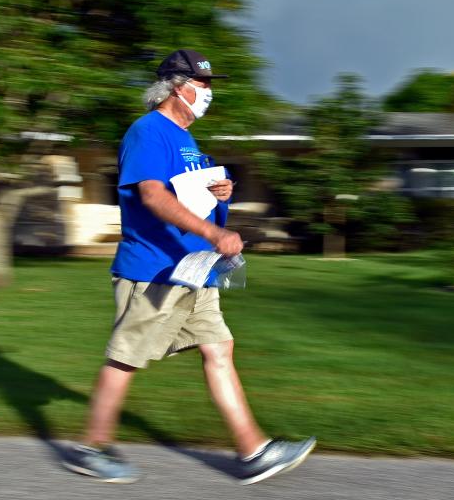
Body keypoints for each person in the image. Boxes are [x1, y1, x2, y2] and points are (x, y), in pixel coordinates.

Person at [62, 49, 315, 485]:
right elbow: (154, 197)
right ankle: (91, 448)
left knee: (219, 349)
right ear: (178, 88)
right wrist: (217, 234)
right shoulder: (148, 132)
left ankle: (253, 451)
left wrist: (221, 195)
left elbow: (186, 197)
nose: (209, 93)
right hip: (153, 271)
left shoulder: (185, 140)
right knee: (126, 358)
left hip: (193, 268)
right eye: (204, 84)